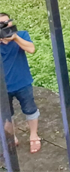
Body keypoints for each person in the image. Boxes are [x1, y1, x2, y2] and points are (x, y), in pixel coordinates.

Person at [0, 15, 40, 154]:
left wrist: (15, 38)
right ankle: (12, 138)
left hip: (23, 82)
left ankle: (34, 135)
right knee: (6, 114)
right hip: (3, 87)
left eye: (8, 22)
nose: (7, 25)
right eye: (2, 24)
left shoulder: (21, 35)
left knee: (30, 109)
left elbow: (31, 49)